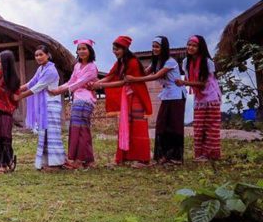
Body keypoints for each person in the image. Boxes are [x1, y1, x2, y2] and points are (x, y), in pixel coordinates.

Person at [90, 36, 153, 167]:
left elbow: (123, 82)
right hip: (128, 97)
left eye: (117, 49)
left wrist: (100, 85)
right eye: (113, 49)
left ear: (125, 49)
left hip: (136, 97)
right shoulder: (120, 62)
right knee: (126, 126)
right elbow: (110, 76)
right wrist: (96, 83)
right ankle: (125, 158)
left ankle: (142, 159)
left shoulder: (133, 62)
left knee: (137, 127)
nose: (115, 52)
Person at [125, 36, 187, 165]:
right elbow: (144, 73)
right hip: (167, 95)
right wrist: (130, 68)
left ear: (164, 48)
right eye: (153, 46)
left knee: (174, 126)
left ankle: (176, 157)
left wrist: (134, 79)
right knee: (162, 125)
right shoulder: (156, 62)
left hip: (176, 96)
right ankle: (163, 156)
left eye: (157, 47)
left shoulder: (170, 62)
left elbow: (156, 76)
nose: (154, 49)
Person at [49, 39, 99, 169]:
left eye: (84, 49)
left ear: (90, 51)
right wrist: (58, 88)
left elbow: (78, 83)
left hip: (86, 100)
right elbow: (71, 81)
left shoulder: (92, 67)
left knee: (81, 130)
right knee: (78, 129)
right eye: (79, 49)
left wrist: (59, 90)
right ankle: (87, 160)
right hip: (77, 99)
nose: (81, 51)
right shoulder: (77, 66)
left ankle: (79, 160)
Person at [16, 45, 66, 171]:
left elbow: (38, 87)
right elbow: (31, 83)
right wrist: (16, 90)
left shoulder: (51, 70)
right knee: (44, 134)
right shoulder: (41, 69)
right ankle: (46, 162)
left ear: (47, 55)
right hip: (44, 106)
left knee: (52, 135)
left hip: (51, 105)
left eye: (41, 54)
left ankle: (56, 164)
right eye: (36, 55)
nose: (38, 57)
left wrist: (20, 96)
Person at [178, 35, 222, 161]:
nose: (190, 47)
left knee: (211, 127)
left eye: (194, 45)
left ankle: (212, 155)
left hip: (211, 98)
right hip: (199, 98)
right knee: (198, 127)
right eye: (189, 45)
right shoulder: (186, 62)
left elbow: (203, 83)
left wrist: (184, 83)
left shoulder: (207, 62)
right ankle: (200, 155)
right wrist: (185, 82)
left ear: (200, 47)